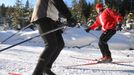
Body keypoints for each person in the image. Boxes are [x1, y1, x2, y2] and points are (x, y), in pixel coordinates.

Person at [30, 0, 76, 75]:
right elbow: (57, 2)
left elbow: (53, 7)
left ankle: (46, 68)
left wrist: (58, 22)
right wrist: (69, 16)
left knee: (60, 44)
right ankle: (37, 73)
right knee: (51, 45)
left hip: (51, 20)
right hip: (43, 17)